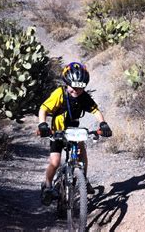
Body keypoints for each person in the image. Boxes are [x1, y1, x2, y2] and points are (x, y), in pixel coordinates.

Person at [37, 62, 112, 206]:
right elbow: (43, 109)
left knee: (82, 151)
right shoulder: (59, 93)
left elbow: (95, 110)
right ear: (66, 84)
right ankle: (47, 185)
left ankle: (83, 178)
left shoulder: (83, 96)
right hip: (57, 132)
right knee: (55, 162)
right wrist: (42, 124)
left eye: (80, 88)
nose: (76, 91)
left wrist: (103, 123)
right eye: (73, 87)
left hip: (74, 131)